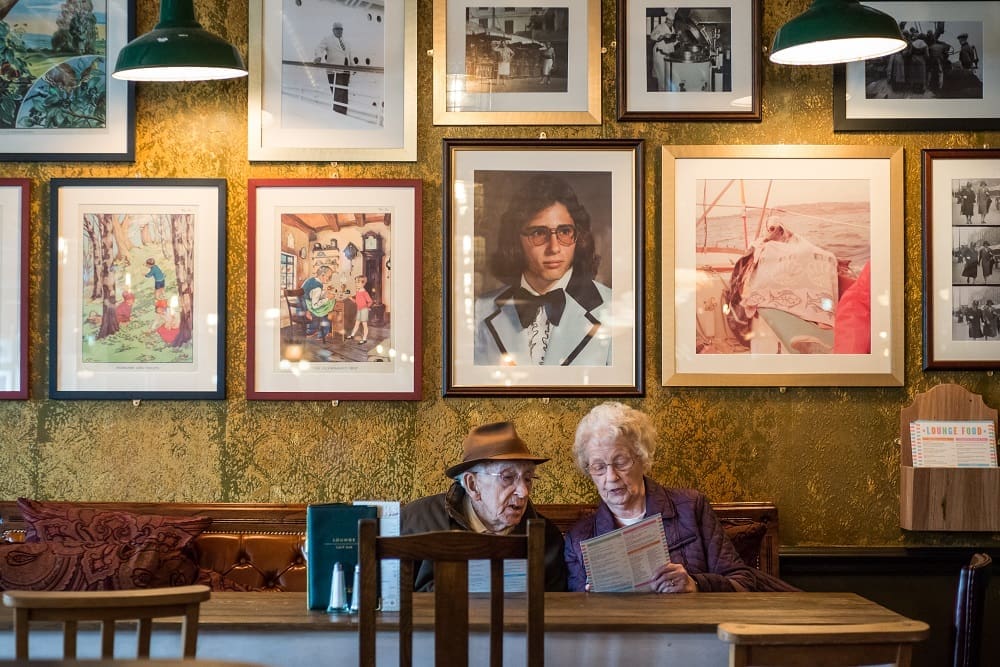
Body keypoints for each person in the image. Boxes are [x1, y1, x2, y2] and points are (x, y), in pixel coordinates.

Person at [564, 402, 757, 593]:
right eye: (598, 467)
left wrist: (695, 584)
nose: (611, 477)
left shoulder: (690, 508)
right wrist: (588, 602)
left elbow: (743, 582)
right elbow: (577, 612)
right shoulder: (579, 538)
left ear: (642, 458)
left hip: (688, 622)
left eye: (621, 462)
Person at [400, 422, 569, 592]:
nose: (524, 492)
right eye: (508, 477)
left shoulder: (547, 537)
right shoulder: (416, 522)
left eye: (528, 478)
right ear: (472, 484)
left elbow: (552, 610)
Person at [474, 174, 613, 367]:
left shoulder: (613, 308)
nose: (554, 247)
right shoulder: (480, 310)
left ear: (578, 235)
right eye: (539, 233)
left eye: (565, 232)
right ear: (515, 240)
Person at [314, 21, 353, 114]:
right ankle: (338, 114)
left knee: (344, 92)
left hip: (346, 70)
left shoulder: (346, 42)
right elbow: (319, 48)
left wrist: (353, 66)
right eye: (337, 29)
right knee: (338, 92)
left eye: (341, 29)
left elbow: (349, 55)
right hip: (334, 71)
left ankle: (344, 113)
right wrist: (318, 57)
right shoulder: (327, 39)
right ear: (333, 30)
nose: (339, 31)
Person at [300, 265, 335, 339]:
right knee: (327, 310)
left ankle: (312, 330)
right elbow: (315, 304)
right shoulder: (318, 287)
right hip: (308, 306)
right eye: (329, 277)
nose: (329, 279)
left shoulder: (311, 279)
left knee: (325, 308)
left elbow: (312, 294)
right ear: (322, 275)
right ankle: (324, 333)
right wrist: (327, 299)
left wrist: (324, 293)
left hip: (302, 304)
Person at [346, 274, 372, 344]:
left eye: (358, 282)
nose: (356, 284)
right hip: (359, 310)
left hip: (364, 310)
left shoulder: (364, 292)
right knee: (356, 324)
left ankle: (364, 339)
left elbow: (370, 301)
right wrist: (351, 299)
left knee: (364, 325)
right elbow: (357, 302)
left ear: (363, 283)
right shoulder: (358, 292)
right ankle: (352, 335)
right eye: (356, 282)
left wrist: (367, 307)